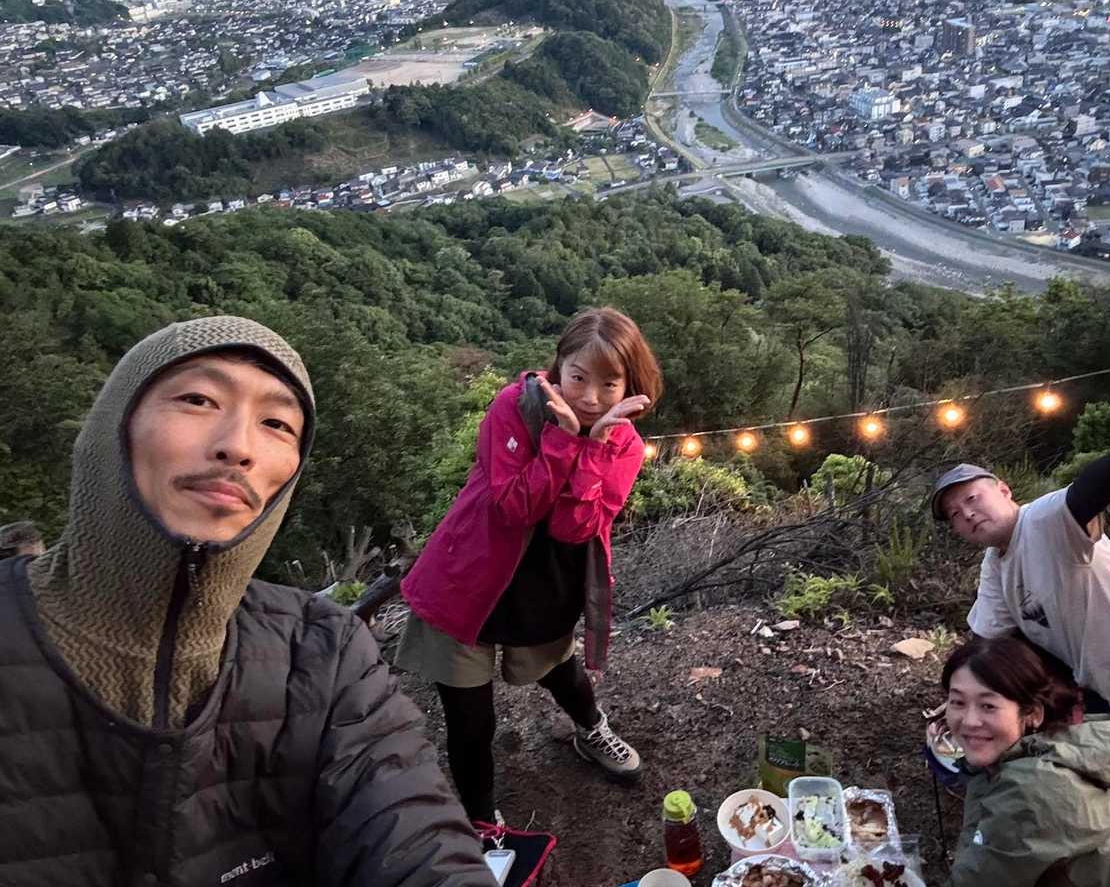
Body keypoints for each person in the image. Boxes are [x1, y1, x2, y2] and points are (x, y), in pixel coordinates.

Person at [0, 316, 499, 886]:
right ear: (114, 424)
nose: (238, 446)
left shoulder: (322, 651)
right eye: (198, 399)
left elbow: (413, 832)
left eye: (276, 424)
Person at [398, 307, 663, 822]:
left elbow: (574, 528)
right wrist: (563, 439)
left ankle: (592, 730)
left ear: (630, 385)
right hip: (467, 578)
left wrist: (593, 445)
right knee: (470, 720)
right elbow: (514, 507)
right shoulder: (514, 408)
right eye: (578, 378)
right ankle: (482, 822)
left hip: (547, 584)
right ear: (559, 367)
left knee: (562, 672)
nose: (590, 397)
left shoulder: (625, 445)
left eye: (609, 384)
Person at [931, 373, 1110, 781]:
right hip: (1098, 691)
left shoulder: (1044, 520)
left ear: (1004, 491)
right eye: (956, 515)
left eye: (972, 499)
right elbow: (987, 641)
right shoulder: (996, 562)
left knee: (1043, 777)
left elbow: (1085, 495)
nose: (967, 514)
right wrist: (962, 699)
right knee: (1017, 681)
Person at [933, 637, 1110, 886]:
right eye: (957, 703)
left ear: (1032, 714)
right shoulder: (1058, 746)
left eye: (988, 706)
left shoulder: (1034, 789)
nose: (969, 721)